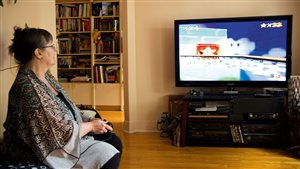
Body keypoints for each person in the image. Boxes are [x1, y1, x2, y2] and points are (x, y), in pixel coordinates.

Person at [0, 26, 122, 169]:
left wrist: (88, 119)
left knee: (113, 140)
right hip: (39, 151)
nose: (55, 50)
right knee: (108, 153)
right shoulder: (29, 88)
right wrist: (91, 126)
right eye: (51, 46)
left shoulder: (46, 77)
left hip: (63, 135)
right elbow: (60, 134)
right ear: (38, 53)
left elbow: (65, 108)